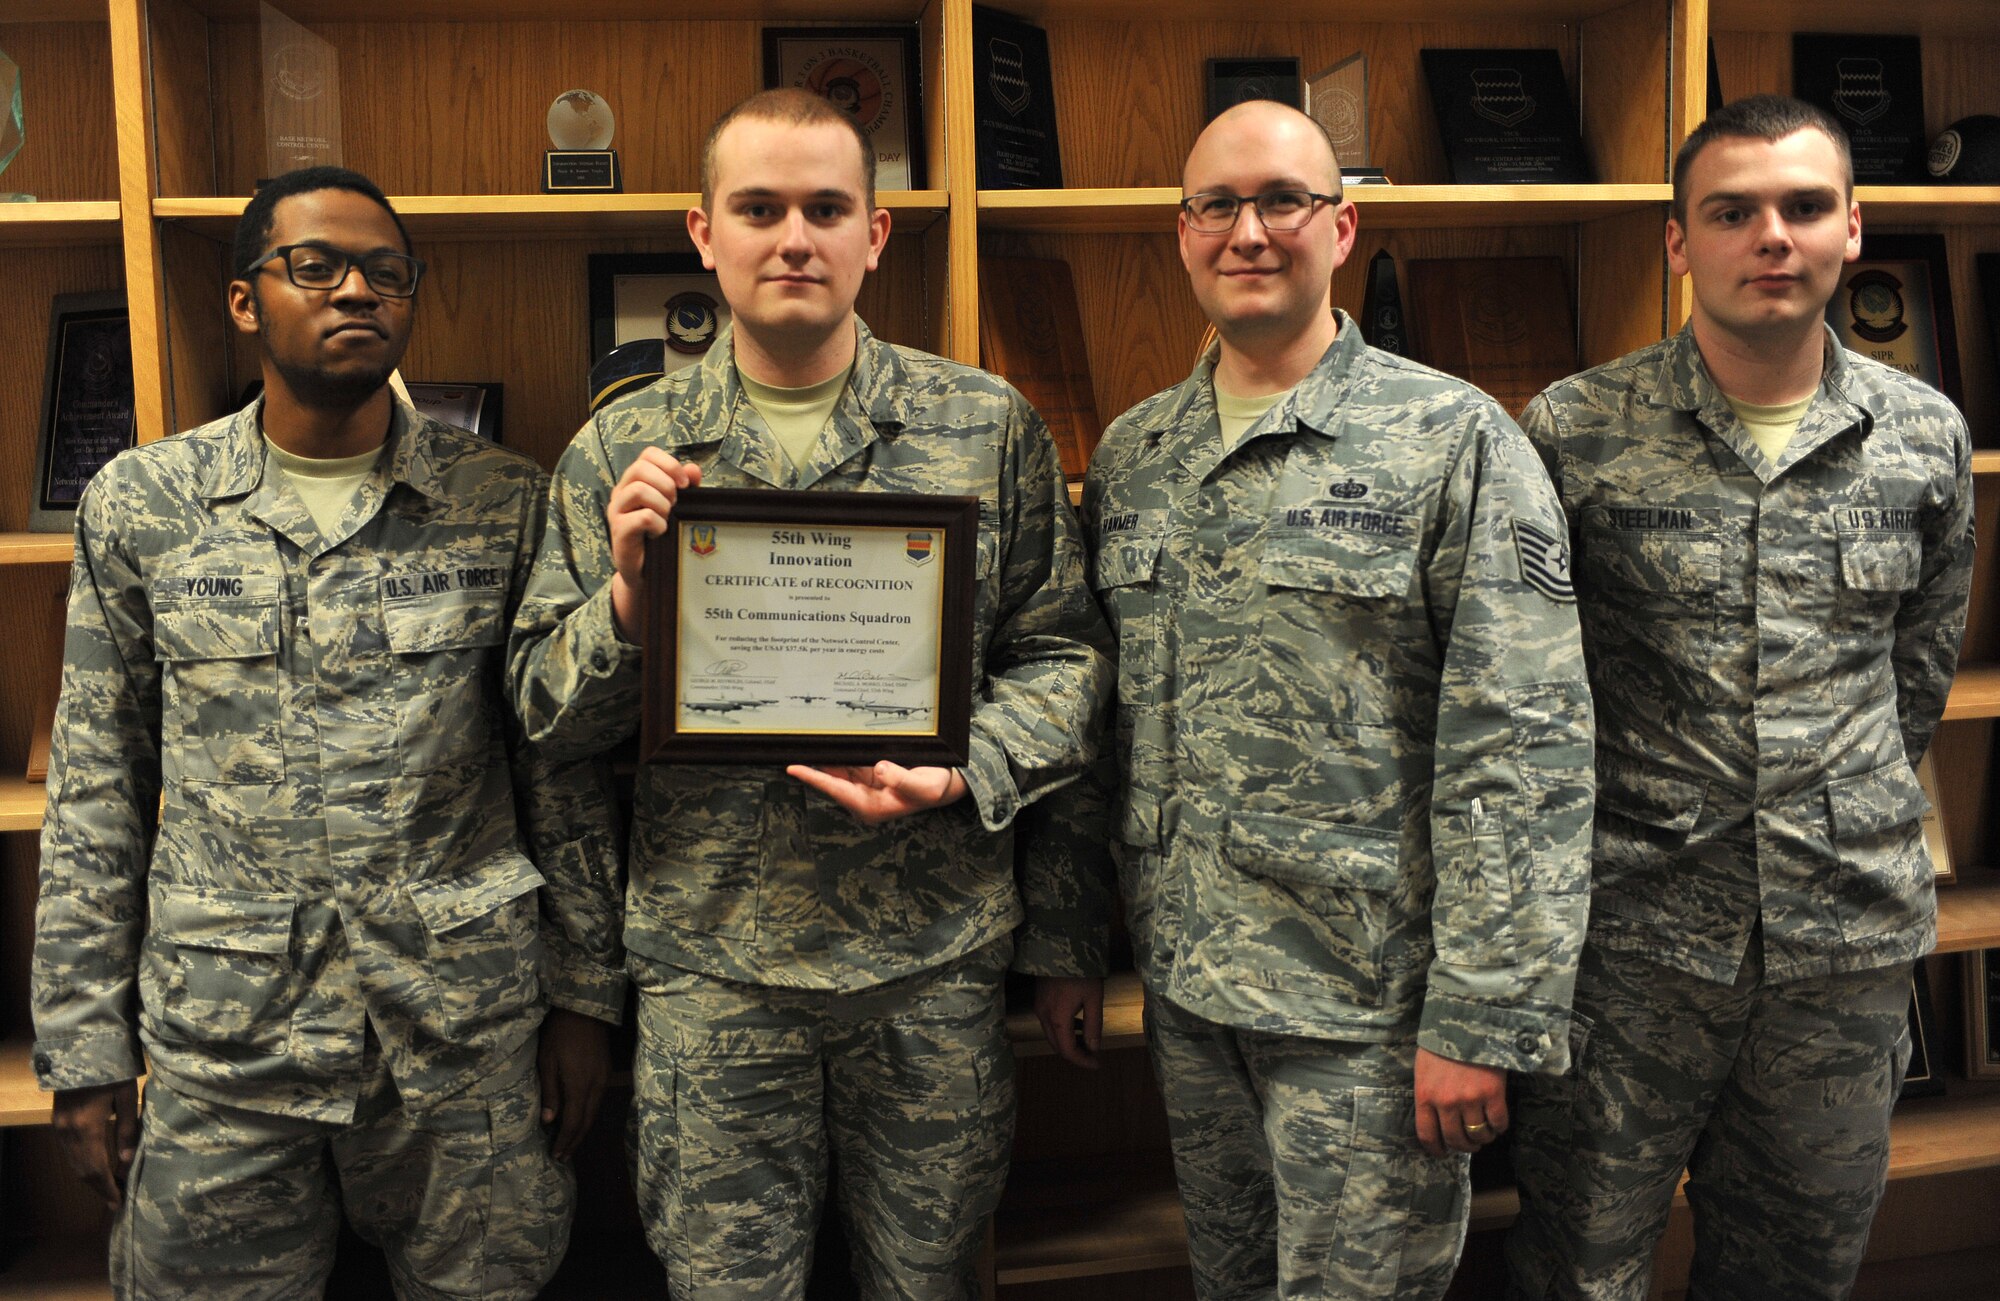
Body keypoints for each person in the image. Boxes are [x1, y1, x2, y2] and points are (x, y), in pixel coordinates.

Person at [506, 89, 1111, 1298]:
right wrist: (630, 603)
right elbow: (540, 721)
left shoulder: (982, 427)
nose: (795, 237)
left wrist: (965, 769)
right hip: (710, 969)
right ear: (702, 232)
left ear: (874, 236)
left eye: (827, 208)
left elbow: (1069, 663)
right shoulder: (620, 451)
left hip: (931, 963)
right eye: (760, 207)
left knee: (934, 1281)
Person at [30, 165, 622, 1300]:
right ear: (247, 300)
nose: (357, 291)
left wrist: (585, 996)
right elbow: (99, 782)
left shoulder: (501, 498)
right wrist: (85, 1045)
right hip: (228, 1035)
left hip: (463, 1027)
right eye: (317, 266)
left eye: (386, 273)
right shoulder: (143, 502)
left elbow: (559, 758)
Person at [1079, 99, 1594, 1300]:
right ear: (1181, 230)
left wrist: (1480, 1017)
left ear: (1341, 226)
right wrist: (1071, 942)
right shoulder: (1133, 454)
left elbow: (1519, 746)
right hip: (1190, 991)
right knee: (1231, 1279)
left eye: (1281, 201)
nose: (1246, 231)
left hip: (1368, 1011)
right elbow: (1104, 719)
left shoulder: (1453, 439)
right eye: (1216, 204)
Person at [1504, 95, 1975, 1301]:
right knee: (1575, 1265)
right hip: (1625, 949)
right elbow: (1523, 694)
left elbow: (1912, 671)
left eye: (1803, 207)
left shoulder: (1921, 436)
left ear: (1851, 230)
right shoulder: (1571, 430)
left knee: (1794, 1271)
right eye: (1730, 211)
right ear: (1677, 242)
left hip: (1839, 947)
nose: (1770, 235)